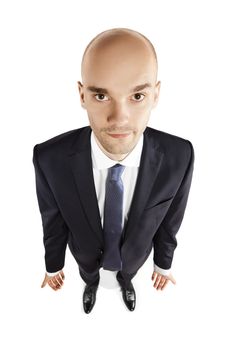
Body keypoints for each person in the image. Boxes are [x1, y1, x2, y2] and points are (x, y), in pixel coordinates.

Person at [32, 27, 194, 314]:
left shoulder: (179, 156)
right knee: (89, 276)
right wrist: (53, 266)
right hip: (85, 258)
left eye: (137, 97)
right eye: (101, 96)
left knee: (127, 273)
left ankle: (126, 282)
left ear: (156, 94)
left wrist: (163, 263)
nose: (120, 119)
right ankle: (91, 286)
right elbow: (52, 221)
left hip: (134, 259)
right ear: (82, 95)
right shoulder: (49, 158)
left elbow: (170, 220)